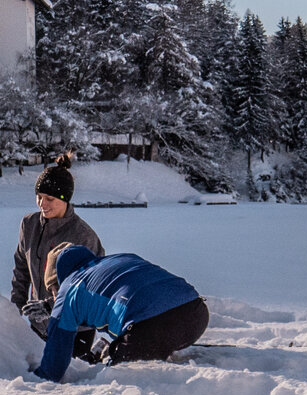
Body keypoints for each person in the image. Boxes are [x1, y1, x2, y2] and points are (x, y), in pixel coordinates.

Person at [32, 243, 208, 382]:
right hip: (195, 313)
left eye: (52, 291)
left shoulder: (69, 287)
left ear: (57, 282)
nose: (54, 297)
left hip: (151, 327)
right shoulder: (121, 258)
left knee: (117, 376)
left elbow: (54, 366)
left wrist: (36, 378)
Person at [10, 154, 104, 337]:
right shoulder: (29, 224)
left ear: (65, 198)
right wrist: (15, 307)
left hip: (74, 329)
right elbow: (21, 268)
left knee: (71, 367)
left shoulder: (83, 236)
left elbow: (91, 289)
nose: (41, 204)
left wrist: (50, 306)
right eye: (39, 197)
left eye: (49, 199)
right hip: (38, 326)